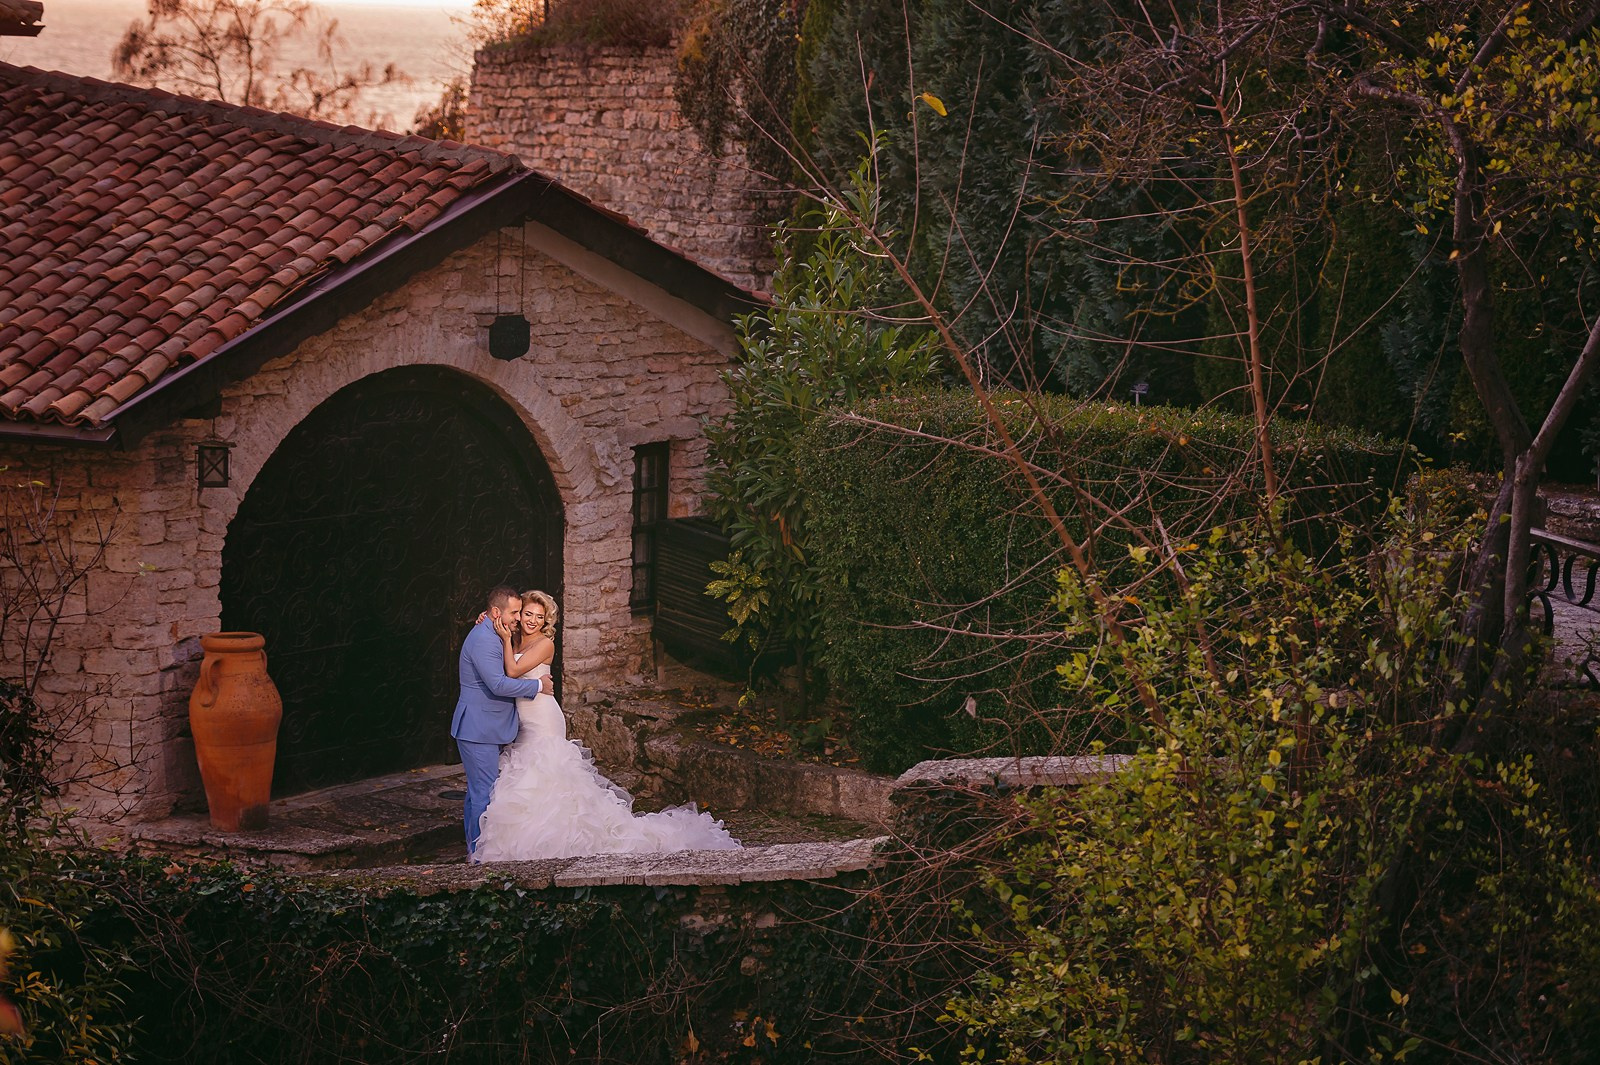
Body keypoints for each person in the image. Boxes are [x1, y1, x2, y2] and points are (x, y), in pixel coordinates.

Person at [471, 590, 740, 861]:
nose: (531, 620)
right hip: (523, 721)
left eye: (539, 617)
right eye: (527, 614)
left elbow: (512, 671)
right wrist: (487, 619)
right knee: (526, 777)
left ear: (546, 621)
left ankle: (560, 837)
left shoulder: (545, 644)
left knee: (546, 773)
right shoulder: (515, 636)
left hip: (543, 718)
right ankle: (529, 837)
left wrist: (504, 638)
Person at [451, 585, 546, 858]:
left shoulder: (498, 632)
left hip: (488, 727)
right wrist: (538, 686)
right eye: (514, 613)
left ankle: (474, 850)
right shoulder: (484, 639)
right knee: (484, 794)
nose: (518, 618)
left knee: (477, 793)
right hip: (478, 728)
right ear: (496, 612)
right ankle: (479, 856)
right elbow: (498, 684)